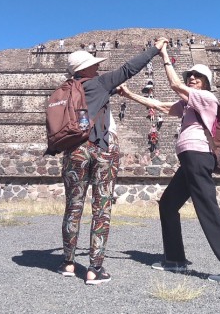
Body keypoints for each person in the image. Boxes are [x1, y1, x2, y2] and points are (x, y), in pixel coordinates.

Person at [117, 45, 220, 285]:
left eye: (197, 77)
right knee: (168, 204)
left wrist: (165, 55)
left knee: (207, 208)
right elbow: (161, 106)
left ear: (206, 83)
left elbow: (176, 86)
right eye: (190, 75)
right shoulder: (190, 105)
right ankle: (175, 259)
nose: (192, 78)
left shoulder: (207, 99)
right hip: (189, 159)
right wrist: (129, 95)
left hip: (198, 156)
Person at [57, 37, 169, 285]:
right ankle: (94, 268)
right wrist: (155, 49)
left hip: (72, 151)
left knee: (73, 207)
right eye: (93, 65)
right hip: (102, 147)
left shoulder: (65, 90)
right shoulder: (99, 82)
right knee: (101, 207)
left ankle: (67, 262)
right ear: (84, 69)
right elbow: (130, 68)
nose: (97, 68)